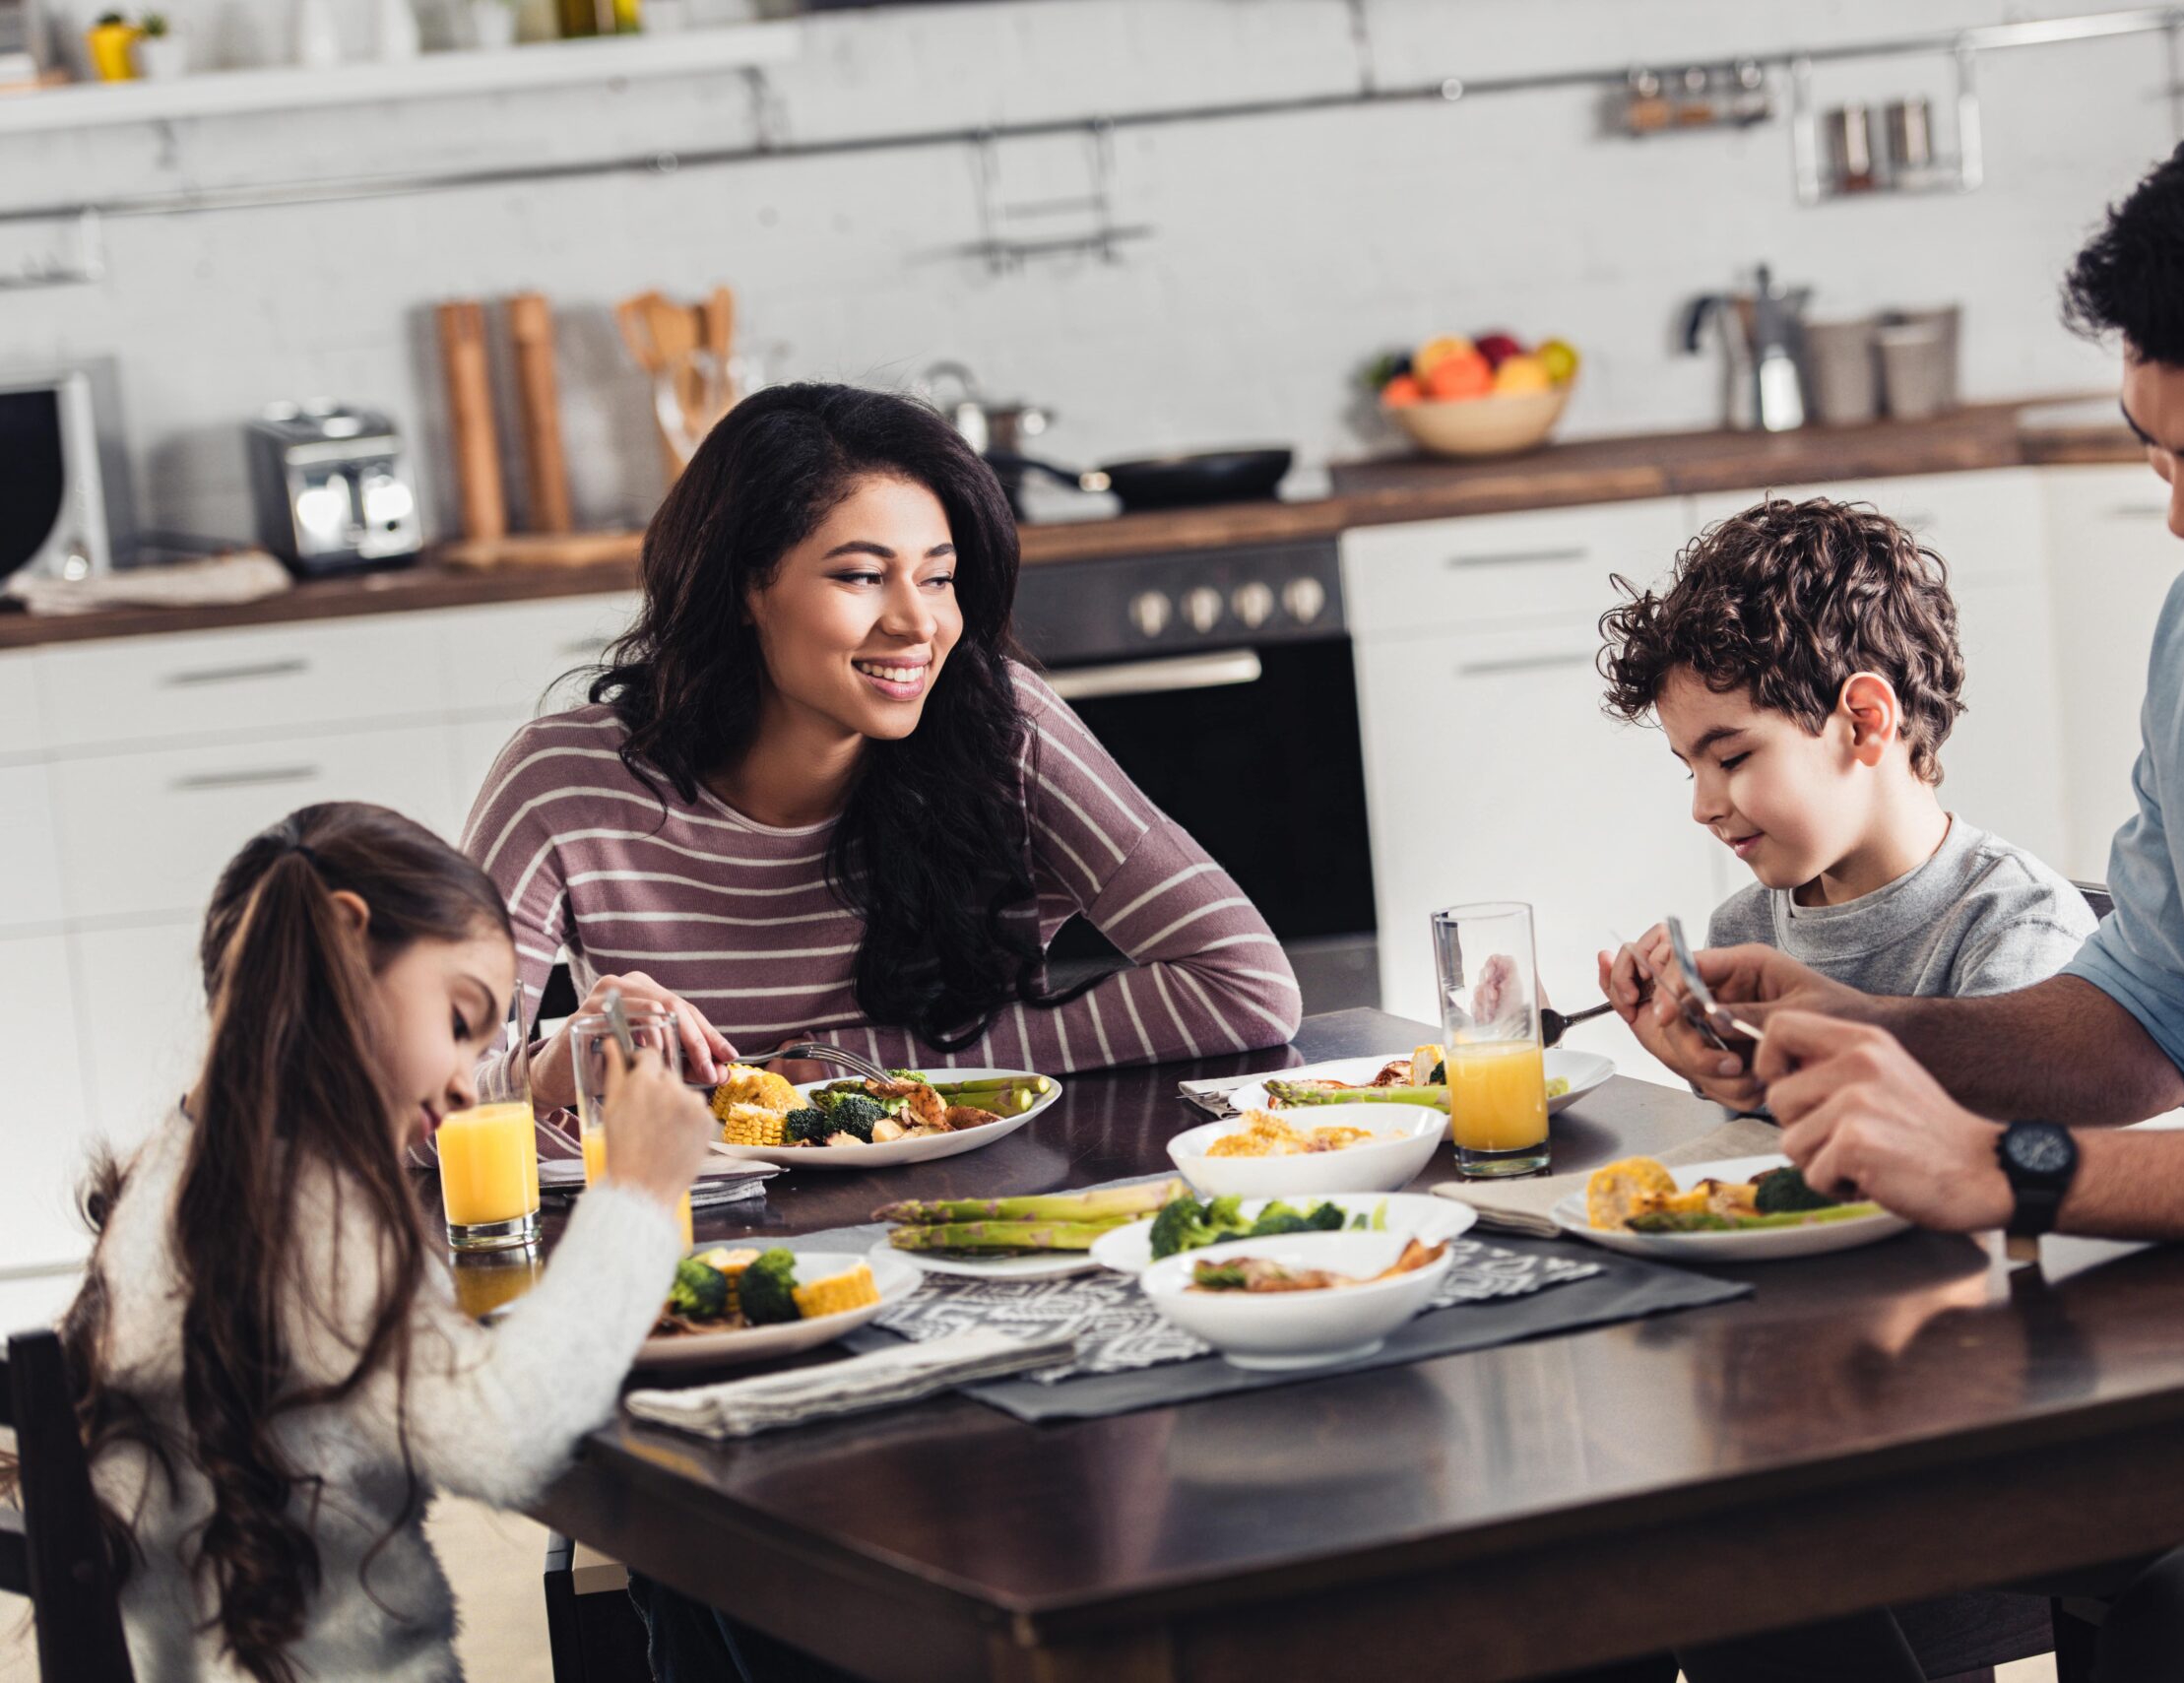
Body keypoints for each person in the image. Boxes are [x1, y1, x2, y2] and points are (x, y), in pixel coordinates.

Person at [1615, 87, 2184, 1681]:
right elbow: (2149, 1007)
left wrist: (2016, 1166)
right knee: (1786, 1522)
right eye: (2154, 451)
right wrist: (1861, 1027)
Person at [461, 382, 1300, 1115]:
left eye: (937, 577)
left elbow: (1246, 986)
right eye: (861, 575)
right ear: (746, 586)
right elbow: (425, 1109)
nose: (917, 622)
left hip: (993, 1206)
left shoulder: (1007, 729)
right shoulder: (562, 783)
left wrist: (861, 1069)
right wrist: (543, 1072)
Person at [16, 802, 711, 1682]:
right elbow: (506, 1436)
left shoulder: (197, 1159)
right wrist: (638, 1196)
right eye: (460, 1021)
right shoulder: (302, 1202)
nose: (467, 1085)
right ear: (346, 944)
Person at [1596, 495, 2092, 1023]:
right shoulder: (1742, 933)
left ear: (1863, 723)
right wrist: (1698, 1043)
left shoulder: (2018, 930)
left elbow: (1982, 1106)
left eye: (1732, 758)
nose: (1702, 807)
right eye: (1690, 770)